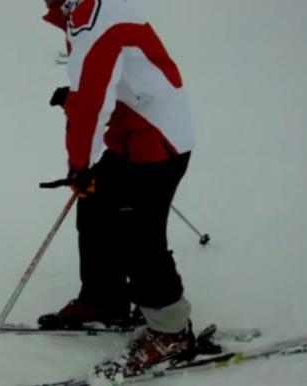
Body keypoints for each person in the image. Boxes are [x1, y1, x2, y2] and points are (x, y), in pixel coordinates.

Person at [40, 0, 196, 371]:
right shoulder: (81, 12)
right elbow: (104, 84)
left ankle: (172, 330)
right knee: (95, 208)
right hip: (129, 136)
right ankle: (104, 298)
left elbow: (92, 105)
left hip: (158, 142)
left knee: (137, 235)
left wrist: (80, 165)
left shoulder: (96, 20)